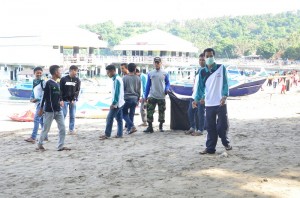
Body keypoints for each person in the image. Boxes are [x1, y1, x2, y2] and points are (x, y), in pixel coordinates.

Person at [193, 48, 232, 154]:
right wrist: (196, 99)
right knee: (210, 127)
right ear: (204, 58)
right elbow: (200, 88)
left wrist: (224, 96)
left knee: (221, 126)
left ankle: (225, 142)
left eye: (211, 56)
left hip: (220, 103)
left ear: (214, 56)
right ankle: (210, 148)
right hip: (209, 103)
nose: (209, 58)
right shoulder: (202, 72)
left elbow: (225, 83)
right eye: (207, 56)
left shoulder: (221, 68)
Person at [36, 65, 70, 151]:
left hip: (58, 110)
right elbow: (44, 97)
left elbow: (59, 95)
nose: (61, 72)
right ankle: (40, 144)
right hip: (49, 111)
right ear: (55, 72)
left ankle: (60, 146)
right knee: (46, 129)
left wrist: (61, 100)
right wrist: (41, 109)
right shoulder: (48, 83)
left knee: (62, 128)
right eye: (59, 71)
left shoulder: (57, 83)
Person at [143, 57, 170, 133]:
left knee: (162, 111)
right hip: (152, 95)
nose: (157, 64)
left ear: (161, 63)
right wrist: (145, 96)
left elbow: (168, 83)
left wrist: (166, 89)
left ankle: (161, 126)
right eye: (155, 62)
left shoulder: (165, 73)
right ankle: (150, 127)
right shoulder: (150, 73)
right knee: (150, 111)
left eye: (158, 62)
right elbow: (148, 85)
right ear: (153, 63)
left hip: (161, 95)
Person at [99, 65, 125, 140]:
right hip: (121, 102)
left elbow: (117, 93)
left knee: (109, 118)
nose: (107, 74)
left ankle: (107, 134)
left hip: (117, 103)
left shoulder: (117, 79)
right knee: (119, 119)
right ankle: (120, 134)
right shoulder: (117, 79)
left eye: (108, 72)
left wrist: (114, 103)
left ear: (112, 71)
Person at [24, 67, 48, 143]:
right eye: (37, 72)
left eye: (40, 73)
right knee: (41, 120)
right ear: (34, 73)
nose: (39, 74)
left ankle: (33, 137)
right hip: (38, 104)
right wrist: (31, 98)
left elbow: (45, 94)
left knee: (36, 119)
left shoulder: (43, 82)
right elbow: (33, 92)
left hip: (42, 104)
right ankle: (45, 137)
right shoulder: (34, 81)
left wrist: (37, 99)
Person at [186, 53, 206, 136]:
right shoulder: (199, 70)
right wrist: (194, 87)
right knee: (190, 111)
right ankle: (192, 127)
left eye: (203, 60)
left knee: (200, 113)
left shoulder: (206, 71)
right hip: (194, 95)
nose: (201, 61)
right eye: (200, 60)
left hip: (201, 96)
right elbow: (196, 81)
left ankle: (200, 130)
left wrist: (204, 97)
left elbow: (206, 85)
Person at [60, 65, 81, 135]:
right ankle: (62, 129)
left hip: (73, 101)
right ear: (71, 71)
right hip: (64, 100)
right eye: (75, 71)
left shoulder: (77, 80)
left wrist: (74, 98)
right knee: (63, 115)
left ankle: (71, 129)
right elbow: (60, 90)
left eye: (76, 71)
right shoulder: (63, 79)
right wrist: (61, 99)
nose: (76, 73)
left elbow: (77, 90)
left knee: (72, 115)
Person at [122, 63, 141, 134]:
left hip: (127, 98)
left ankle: (132, 126)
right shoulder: (138, 78)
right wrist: (138, 98)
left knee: (123, 113)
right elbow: (139, 90)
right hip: (135, 98)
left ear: (128, 69)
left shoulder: (124, 78)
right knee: (131, 114)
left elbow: (122, 90)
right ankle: (129, 129)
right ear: (135, 69)